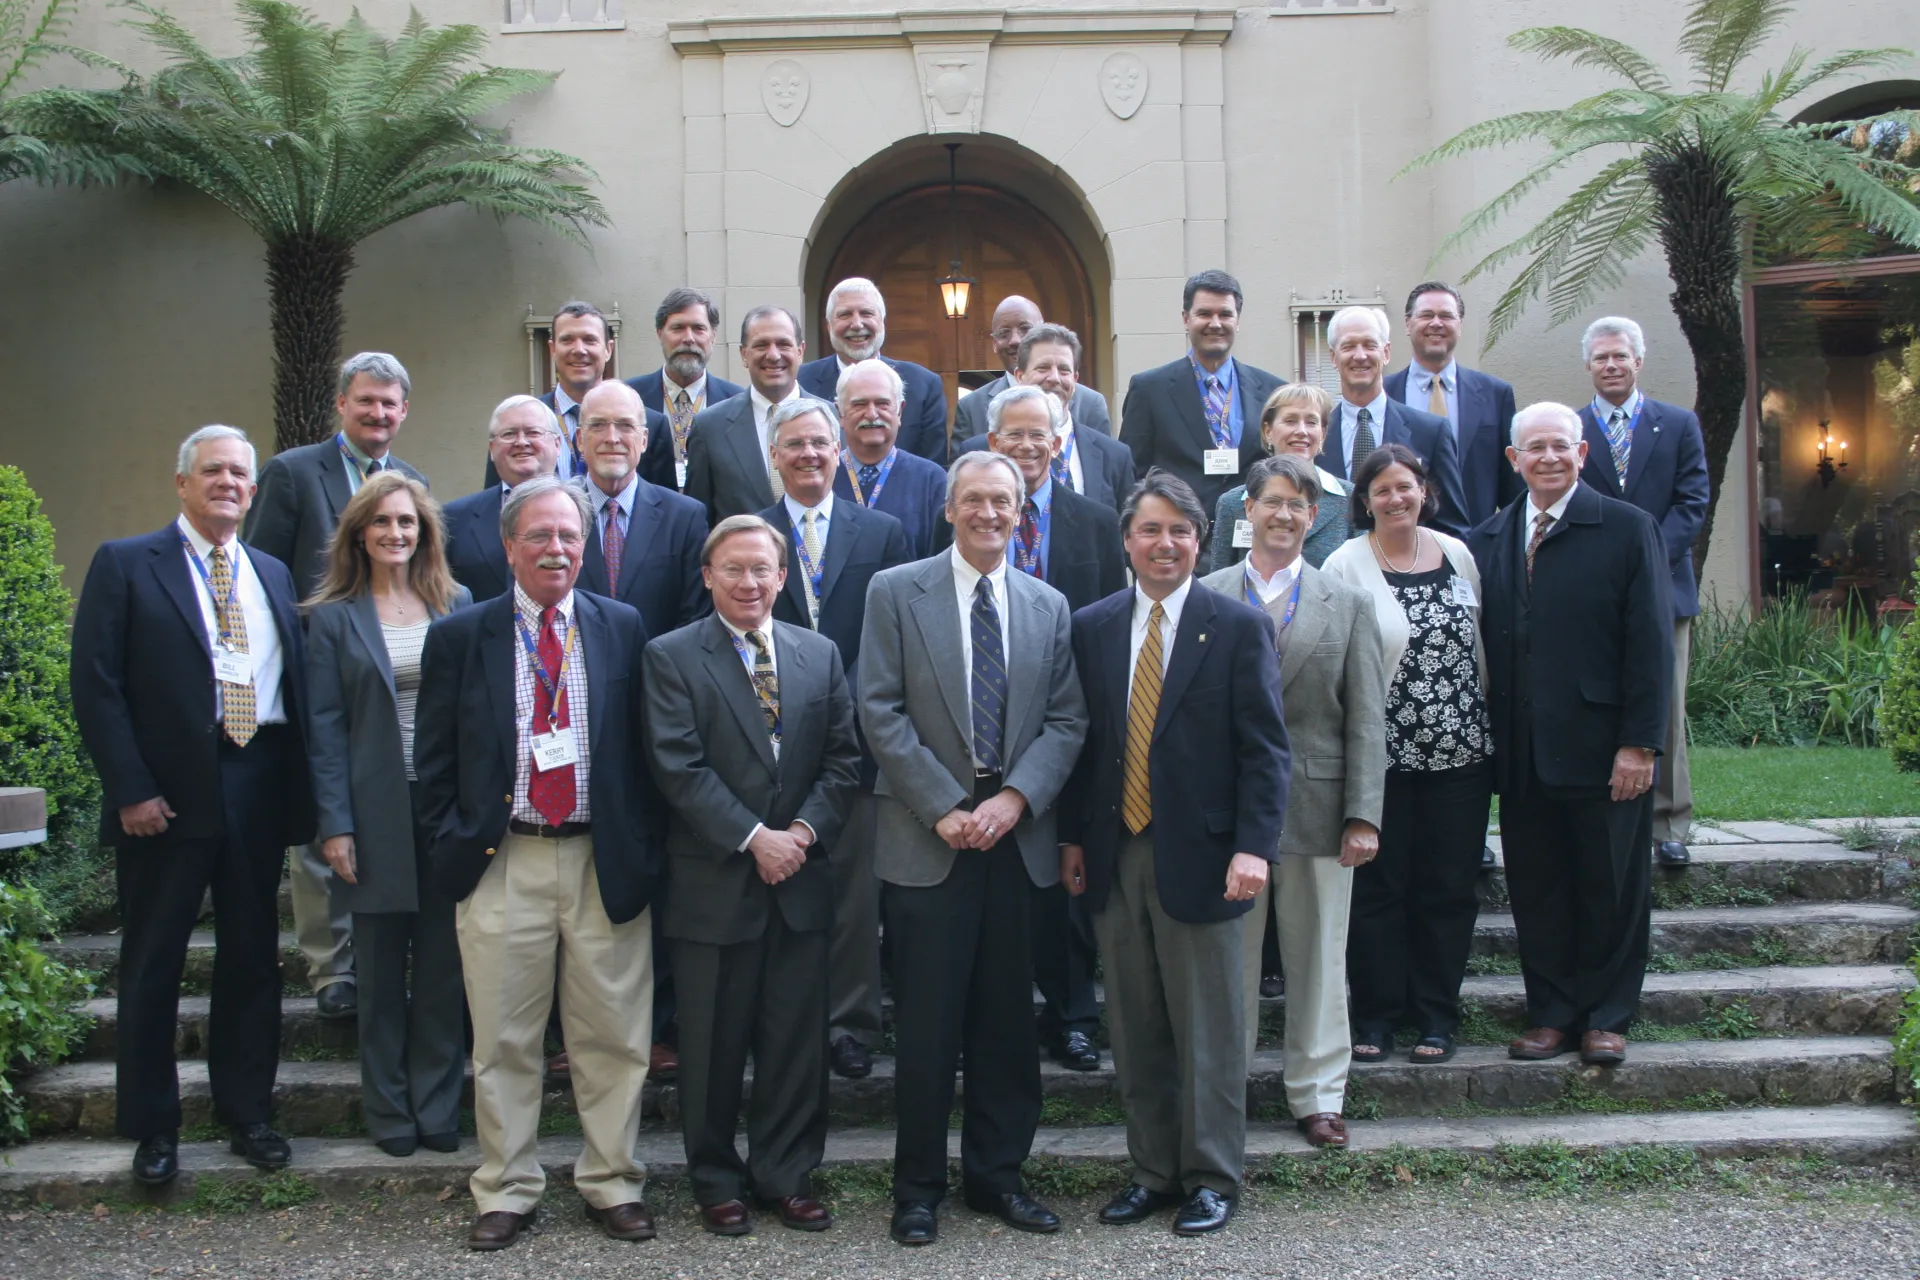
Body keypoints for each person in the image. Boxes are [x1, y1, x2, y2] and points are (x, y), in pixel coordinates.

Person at [414, 475, 661, 1251]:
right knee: (503, 1039)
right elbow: (435, 762)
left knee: (614, 1036)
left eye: (569, 537)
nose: (557, 549)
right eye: (540, 536)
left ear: (584, 548)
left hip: (600, 859)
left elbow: (647, 755)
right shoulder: (461, 635)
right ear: (508, 545)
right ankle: (506, 1188)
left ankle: (612, 1180)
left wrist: (643, 849)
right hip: (504, 860)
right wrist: (451, 846)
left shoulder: (623, 625)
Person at [71, 425, 315, 1187]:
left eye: (240, 474)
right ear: (182, 483)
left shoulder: (271, 570)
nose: (229, 484)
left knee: (252, 959)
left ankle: (248, 1114)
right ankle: (153, 1127)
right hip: (166, 792)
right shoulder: (125, 564)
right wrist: (131, 789)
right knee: (153, 961)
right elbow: (97, 686)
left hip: (256, 779)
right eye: (213, 472)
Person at [857, 451, 1089, 1247]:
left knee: (1005, 1025)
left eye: (1005, 501)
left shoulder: (1048, 605)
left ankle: (998, 1178)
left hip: (1015, 839)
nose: (991, 512)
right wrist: (948, 808)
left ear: (1022, 513)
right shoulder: (896, 592)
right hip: (932, 840)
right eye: (976, 500)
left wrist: (1015, 800)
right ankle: (916, 1189)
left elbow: (1067, 720)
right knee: (926, 1026)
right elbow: (878, 710)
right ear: (950, 509)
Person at [1061, 470, 1290, 1236]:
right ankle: (1153, 1171)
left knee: (1212, 1030)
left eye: (1180, 532)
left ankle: (1213, 1178)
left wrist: (1256, 846)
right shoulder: (1091, 626)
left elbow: (1266, 751)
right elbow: (1083, 745)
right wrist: (1071, 837)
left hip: (1210, 855)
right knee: (1135, 1024)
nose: (1165, 544)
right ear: (1127, 540)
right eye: (1151, 530)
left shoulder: (1237, 625)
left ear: (1201, 540)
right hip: (1118, 852)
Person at [643, 515, 862, 1235]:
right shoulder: (671, 656)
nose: (749, 582)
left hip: (799, 880)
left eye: (762, 569)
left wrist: (798, 834)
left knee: (796, 1045)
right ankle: (715, 1180)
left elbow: (842, 760)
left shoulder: (818, 654)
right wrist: (753, 838)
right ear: (708, 577)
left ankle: (786, 1174)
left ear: (782, 576)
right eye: (733, 569)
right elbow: (678, 767)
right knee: (710, 1046)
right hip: (715, 883)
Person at [1466, 403, 1672, 1068]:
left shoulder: (1626, 528)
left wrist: (1640, 742)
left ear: (1583, 454)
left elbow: (1649, 645)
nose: (1548, 458)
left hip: (1604, 749)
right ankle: (1552, 1013)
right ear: (1514, 461)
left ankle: (1607, 1016)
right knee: (1539, 888)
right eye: (1535, 449)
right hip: (1522, 754)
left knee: (1611, 885)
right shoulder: (1491, 537)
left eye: (1561, 447)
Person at [1199, 454, 1385, 1150]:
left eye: (1297, 506)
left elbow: (1366, 716)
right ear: (1246, 511)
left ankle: (1317, 1094)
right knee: (1230, 961)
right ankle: (1227, 1089)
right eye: (1271, 501)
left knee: (1318, 958)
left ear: (1314, 518)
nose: (1283, 515)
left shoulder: (1346, 603)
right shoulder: (1207, 593)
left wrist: (1364, 813)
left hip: (1318, 804)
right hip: (1227, 813)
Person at [246, 351, 426, 1023]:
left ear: (404, 412)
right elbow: (267, 574)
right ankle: (331, 969)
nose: (377, 413)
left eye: (389, 403)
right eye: (366, 401)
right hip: (316, 670)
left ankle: (379, 955)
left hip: (392, 673)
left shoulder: (412, 481)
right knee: (324, 823)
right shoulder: (294, 474)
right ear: (341, 406)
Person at [304, 472, 470, 1157]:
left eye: (407, 523)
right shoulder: (331, 617)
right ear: (359, 535)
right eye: (381, 524)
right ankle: (388, 1108)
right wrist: (334, 825)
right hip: (371, 813)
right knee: (377, 972)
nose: (395, 534)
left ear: (424, 532)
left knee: (441, 968)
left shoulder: (456, 604)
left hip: (441, 810)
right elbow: (324, 728)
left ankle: (436, 1106)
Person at [752, 399, 913, 1082]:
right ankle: (781, 1021)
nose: (810, 455)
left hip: (860, 746)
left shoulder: (881, 533)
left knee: (853, 897)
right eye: (795, 445)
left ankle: (850, 1024)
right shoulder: (748, 535)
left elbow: (897, 636)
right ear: (775, 456)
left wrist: (842, 706)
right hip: (769, 747)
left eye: (821, 442)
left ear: (840, 449)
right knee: (776, 892)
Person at [1323, 444, 1493, 1068]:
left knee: (1447, 890)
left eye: (1406, 486)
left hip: (1460, 755)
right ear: (1363, 501)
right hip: (1381, 761)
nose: (1396, 498)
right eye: (1382, 490)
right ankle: (1376, 1015)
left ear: (1425, 491)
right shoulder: (1344, 564)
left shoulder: (1457, 554)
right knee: (1378, 891)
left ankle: (1436, 1017)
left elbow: (1478, 646)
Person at [987, 383, 1124, 1072]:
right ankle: (1005, 1011)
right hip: (986, 720)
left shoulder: (1098, 522)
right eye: (1014, 434)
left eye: (1040, 433)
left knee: (1070, 864)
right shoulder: (969, 518)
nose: (1028, 445)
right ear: (992, 444)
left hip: (1076, 719)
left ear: (1059, 441)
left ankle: (1074, 1013)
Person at [1575, 317, 1710, 867]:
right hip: (1594, 592)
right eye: (1602, 357)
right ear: (1589, 365)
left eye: (1620, 356)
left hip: (1666, 590)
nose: (1611, 365)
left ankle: (1668, 822)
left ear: (1639, 361)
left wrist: (1650, 559)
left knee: (1665, 703)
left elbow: (1692, 502)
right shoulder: (1572, 428)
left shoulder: (1676, 425)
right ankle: (1604, 807)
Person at [1119, 270, 1286, 524]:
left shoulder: (1273, 391)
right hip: (1180, 536)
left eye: (1225, 314)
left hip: (1252, 535)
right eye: (1205, 314)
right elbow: (1134, 473)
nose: (1216, 323)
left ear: (1238, 321)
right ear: (1186, 319)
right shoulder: (1149, 389)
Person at [1312, 307, 1470, 538]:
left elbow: (1453, 527)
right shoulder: (1316, 437)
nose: (1360, 355)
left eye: (1369, 345)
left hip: (1408, 569)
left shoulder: (1431, 432)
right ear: (1333, 357)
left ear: (1386, 352)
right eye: (1348, 346)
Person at [575, 380, 710, 642]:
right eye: (598, 425)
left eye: (625, 426)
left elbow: (695, 615)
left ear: (644, 440)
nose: (612, 438)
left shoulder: (684, 518)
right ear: (580, 439)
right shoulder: (558, 514)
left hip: (659, 675)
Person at [480, 301, 667, 488]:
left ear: (608, 349)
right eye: (567, 340)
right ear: (552, 349)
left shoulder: (652, 424)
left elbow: (662, 507)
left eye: (589, 340)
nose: (579, 350)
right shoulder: (516, 423)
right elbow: (496, 501)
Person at [1384, 281, 1522, 528]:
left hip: (1476, 542)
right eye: (1426, 315)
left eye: (1446, 316)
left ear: (1460, 325)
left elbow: (1512, 484)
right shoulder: (1384, 394)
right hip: (1401, 539)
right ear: (1407, 323)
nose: (1436, 323)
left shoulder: (1496, 394)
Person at [957, 324, 1136, 511]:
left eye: (1064, 370)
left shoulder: (1115, 457)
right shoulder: (976, 452)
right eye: (1043, 368)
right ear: (1020, 376)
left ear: (1075, 378)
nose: (1054, 378)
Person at [685, 305, 832, 522]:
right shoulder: (709, 428)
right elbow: (699, 521)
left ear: (800, 352)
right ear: (744, 354)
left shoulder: (833, 419)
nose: (773, 355)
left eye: (783, 344)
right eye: (761, 345)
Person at [798, 277, 949, 465]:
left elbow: (934, 469)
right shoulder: (801, 383)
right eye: (845, 314)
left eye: (866, 313)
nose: (857, 324)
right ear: (829, 326)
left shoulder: (924, 385)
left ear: (883, 322)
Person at [1208, 384, 1353, 574]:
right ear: (1268, 431)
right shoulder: (1232, 503)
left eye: (1311, 422)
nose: (1302, 431)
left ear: (1323, 434)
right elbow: (1220, 583)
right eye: (1291, 421)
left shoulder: (1350, 498)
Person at [626, 287, 747, 492]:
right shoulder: (629, 398)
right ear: (659, 334)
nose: (688, 338)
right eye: (678, 328)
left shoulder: (739, 402)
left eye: (698, 328)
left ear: (713, 336)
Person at [830, 358, 950, 559]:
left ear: (900, 410)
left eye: (882, 403)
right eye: (859, 404)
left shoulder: (932, 480)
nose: (871, 414)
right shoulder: (823, 476)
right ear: (840, 413)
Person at [445, 396, 561, 603]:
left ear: (557, 444)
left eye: (533, 432)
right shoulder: (452, 520)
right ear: (491, 449)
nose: (521, 442)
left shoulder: (586, 512)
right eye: (509, 434)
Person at [953, 298, 1113, 441]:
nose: (1015, 341)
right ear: (994, 343)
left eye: (1025, 329)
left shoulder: (1091, 404)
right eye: (1004, 333)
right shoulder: (970, 408)